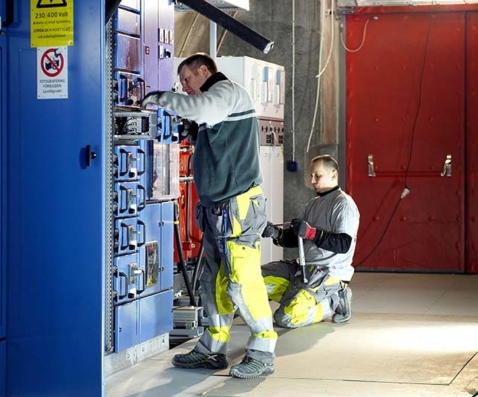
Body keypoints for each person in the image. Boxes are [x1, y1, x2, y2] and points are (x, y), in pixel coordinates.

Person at [141, 53, 277, 379]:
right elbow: (208, 130)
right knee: (213, 282)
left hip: (238, 207)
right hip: (218, 209)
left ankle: (264, 350)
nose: (185, 88)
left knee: (242, 282)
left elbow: (198, 108)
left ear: (204, 71)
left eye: (187, 80)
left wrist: (155, 98)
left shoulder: (226, 92)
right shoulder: (217, 104)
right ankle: (212, 348)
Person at [261, 154, 360, 328]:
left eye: (318, 176)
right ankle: (300, 297)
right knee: (252, 281)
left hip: (328, 273)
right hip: (304, 269)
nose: (312, 180)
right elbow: (296, 239)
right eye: (311, 175)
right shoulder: (313, 204)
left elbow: (343, 244)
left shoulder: (344, 205)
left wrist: (310, 232)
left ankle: (333, 303)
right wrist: (275, 234)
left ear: (334, 175)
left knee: (286, 318)